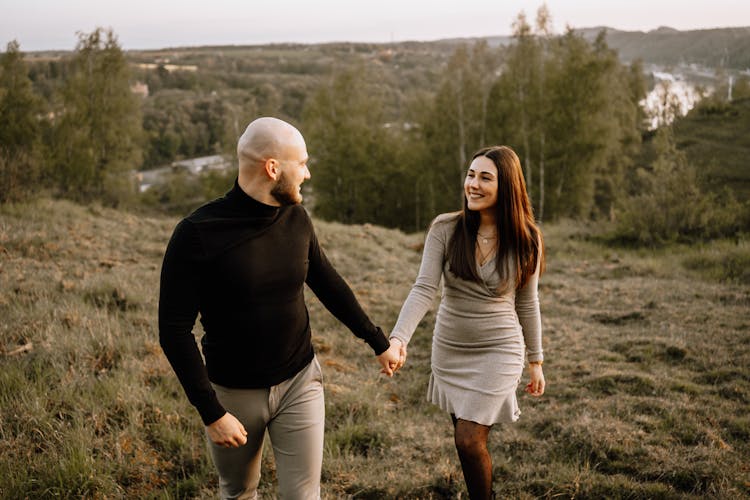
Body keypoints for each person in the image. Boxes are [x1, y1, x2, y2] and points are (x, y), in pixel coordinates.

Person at [158, 116, 401, 499]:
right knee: (239, 491)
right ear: (272, 168)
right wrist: (212, 413)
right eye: (301, 163)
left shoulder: (296, 218)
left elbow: (327, 282)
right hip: (233, 395)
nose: (306, 173)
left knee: (304, 495)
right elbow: (173, 330)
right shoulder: (197, 234)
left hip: (300, 381)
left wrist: (378, 341)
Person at [388, 145, 545, 499]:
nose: (473, 184)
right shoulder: (446, 229)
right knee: (465, 439)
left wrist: (535, 361)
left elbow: (527, 301)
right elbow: (424, 288)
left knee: (469, 439)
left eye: (485, 178)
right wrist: (399, 339)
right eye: (471, 175)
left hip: (499, 348)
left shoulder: (527, 240)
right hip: (451, 349)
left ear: (507, 187)